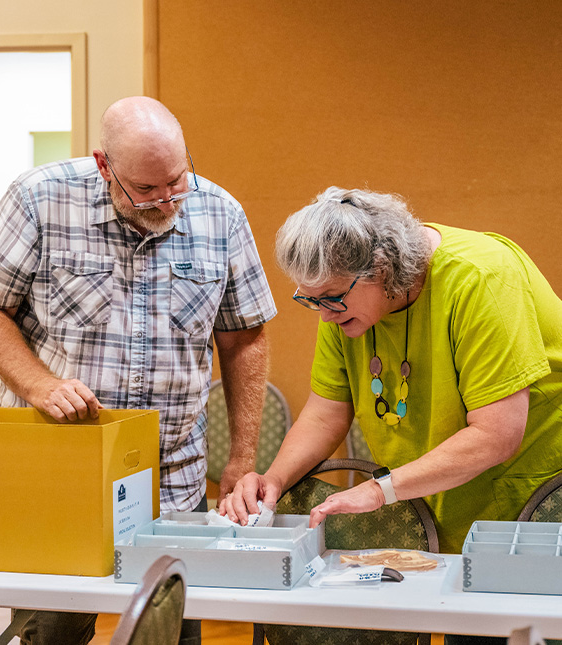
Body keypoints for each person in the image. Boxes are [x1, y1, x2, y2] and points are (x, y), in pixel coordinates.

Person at [0, 96, 276, 645]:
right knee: (55, 629)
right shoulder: (40, 199)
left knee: (172, 629)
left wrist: (242, 457)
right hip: (62, 462)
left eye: (175, 181)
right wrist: (38, 384)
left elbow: (245, 336)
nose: (165, 200)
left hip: (170, 469)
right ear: (104, 165)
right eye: (146, 189)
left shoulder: (219, 212)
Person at [221, 186, 562, 644]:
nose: (323, 316)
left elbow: (497, 435)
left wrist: (381, 490)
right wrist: (274, 480)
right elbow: (325, 412)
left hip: (536, 500)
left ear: (382, 269)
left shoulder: (480, 278)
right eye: (310, 300)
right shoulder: (344, 310)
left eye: (331, 299)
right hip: (447, 491)